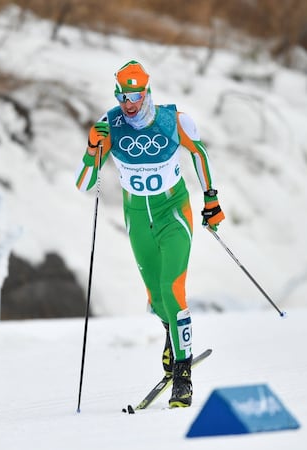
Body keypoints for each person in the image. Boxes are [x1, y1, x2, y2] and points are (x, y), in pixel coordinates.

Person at [74, 60, 225, 407]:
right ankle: (173, 338)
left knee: (173, 289)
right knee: (156, 300)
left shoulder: (175, 120)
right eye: (123, 96)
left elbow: (200, 156)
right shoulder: (110, 125)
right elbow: (84, 184)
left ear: (146, 92)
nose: (129, 103)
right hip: (138, 220)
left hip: (173, 213)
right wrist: (90, 149)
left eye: (135, 95)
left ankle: (183, 375)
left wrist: (211, 199)